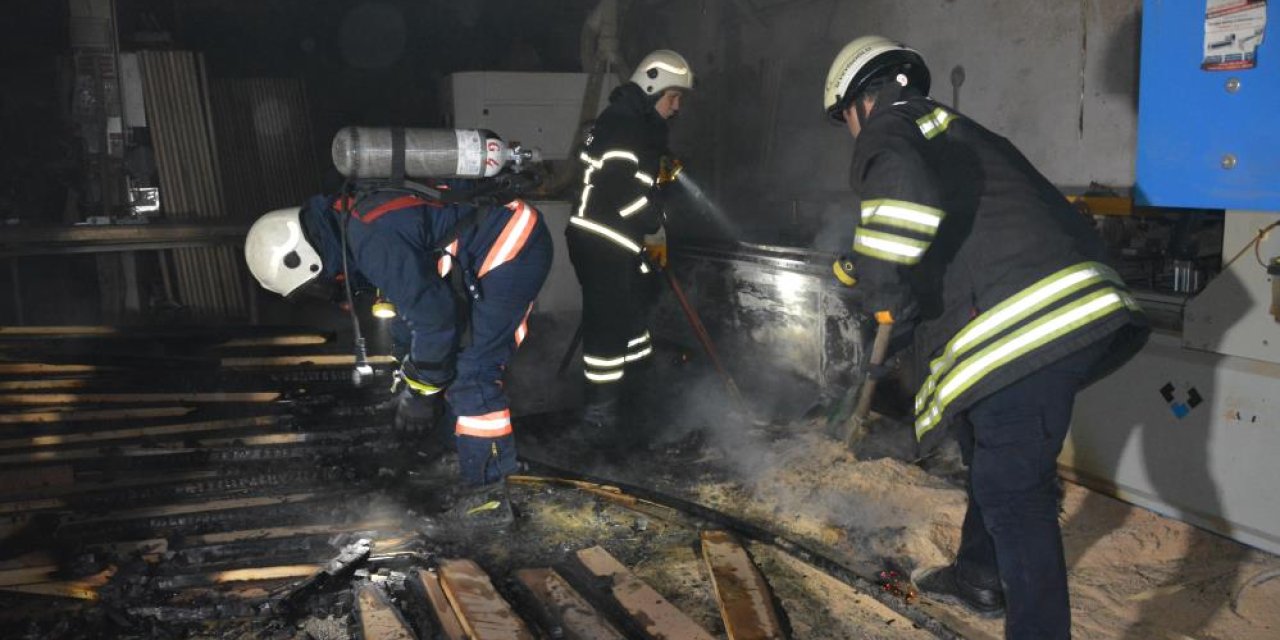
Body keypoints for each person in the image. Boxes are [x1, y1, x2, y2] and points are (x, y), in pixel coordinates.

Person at [822, 36, 1148, 639]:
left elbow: (904, 198)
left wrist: (882, 297)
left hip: (1020, 323)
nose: (849, 130)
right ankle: (979, 575)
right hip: (1068, 308)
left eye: (843, 118)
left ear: (860, 101)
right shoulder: (957, 131)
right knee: (988, 453)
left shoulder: (888, 128)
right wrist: (865, 257)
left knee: (1013, 493)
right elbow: (951, 223)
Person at [244, 185, 552, 537]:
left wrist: (421, 396)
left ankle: (488, 498)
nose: (329, 291)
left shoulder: (369, 241)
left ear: (307, 259)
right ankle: (462, 454)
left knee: (474, 373)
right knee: (443, 362)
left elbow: (435, 320)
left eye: (317, 286)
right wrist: (409, 376)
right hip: (480, 247)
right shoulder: (350, 230)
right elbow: (408, 315)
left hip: (512, 243)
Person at [566, 49, 693, 439]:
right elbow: (618, 189)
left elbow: (633, 175)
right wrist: (653, 223)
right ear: (652, 87)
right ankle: (599, 414)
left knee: (631, 319)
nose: (676, 108)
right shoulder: (624, 126)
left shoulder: (636, 124)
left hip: (618, 241)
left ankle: (637, 390)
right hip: (602, 241)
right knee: (607, 328)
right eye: (673, 98)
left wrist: (662, 169)